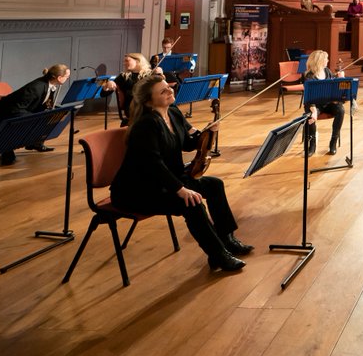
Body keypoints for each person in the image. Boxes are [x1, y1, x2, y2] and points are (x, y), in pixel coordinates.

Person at [110, 75, 252, 272]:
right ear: (149, 101)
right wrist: (180, 189)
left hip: (167, 180)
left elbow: (187, 144)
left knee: (214, 185)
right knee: (191, 202)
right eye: (163, 91)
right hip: (138, 190)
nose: (170, 91)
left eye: (168, 87)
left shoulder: (173, 114)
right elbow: (153, 165)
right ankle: (218, 254)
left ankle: (227, 239)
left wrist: (207, 132)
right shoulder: (146, 124)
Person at [0, 64, 71, 166]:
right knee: (34, 120)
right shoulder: (36, 88)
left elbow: (43, 103)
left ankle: (34, 143)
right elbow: (16, 109)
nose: (68, 78)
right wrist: (35, 118)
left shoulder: (49, 84)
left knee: (48, 117)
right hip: (4, 113)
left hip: (19, 109)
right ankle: (7, 152)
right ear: (59, 78)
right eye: (67, 77)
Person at [303, 50, 346, 155]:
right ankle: (312, 144)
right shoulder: (309, 76)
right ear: (319, 61)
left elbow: (335, 88)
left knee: (341, 110)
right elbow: (309, 97)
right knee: (309, 116)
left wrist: (342, 79)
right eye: (326, 58)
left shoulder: (327, 71)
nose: (327, 60)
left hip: (328, 103)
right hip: (315, 105)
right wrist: (313, 111)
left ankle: (333, 142)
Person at [102, 53, 159, 125]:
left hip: (150, 106)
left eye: (127, 61)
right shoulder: (123, 77)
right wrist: (107, 86)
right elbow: (103, 93)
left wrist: (160, 74)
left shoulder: (150, 74)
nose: (124, 63)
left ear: (138, 61)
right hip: (133, 108)